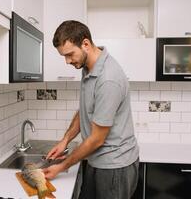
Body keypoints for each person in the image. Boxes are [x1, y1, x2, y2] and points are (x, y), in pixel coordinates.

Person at [42, 20, 139, 199]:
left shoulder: (108, 79)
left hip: (114, 166)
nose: (67, 61)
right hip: (97, 160)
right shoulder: (87, 67)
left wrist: (62, 166)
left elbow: (96, 139)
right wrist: (65, 141)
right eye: (64, 56)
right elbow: (85, 109)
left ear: (85, 44)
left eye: (70, 54)